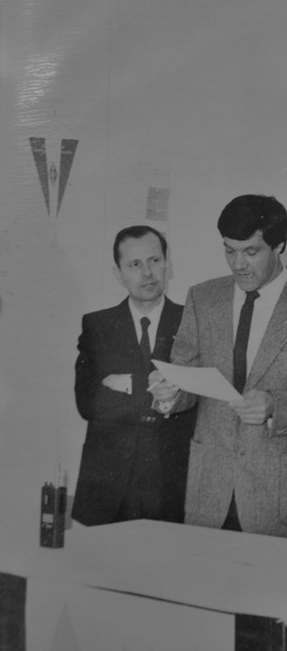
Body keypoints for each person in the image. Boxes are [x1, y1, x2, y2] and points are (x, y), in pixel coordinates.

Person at [150, 194, 287, 541]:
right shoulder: (203, 298)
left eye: (251, 251)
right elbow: (186, 380)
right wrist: (168, 394)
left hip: (279, 501)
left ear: (279, 247)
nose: (238, 264)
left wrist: (277, 405)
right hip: (208, 497)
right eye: (229, 250)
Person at [71, 225, 196, 526]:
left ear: (167, 264)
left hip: (171, 486)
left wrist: (122, 384)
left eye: (154, 260)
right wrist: (146, 387)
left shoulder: (192, 322)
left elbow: (200, 401)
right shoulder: (97, 326)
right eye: (135, 264)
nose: (147, 273)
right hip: (107, 487)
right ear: (118, 273)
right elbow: (88, 402)